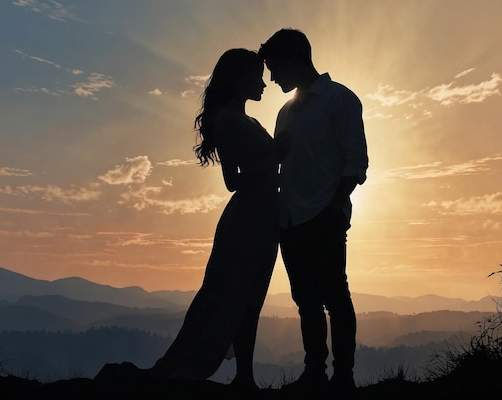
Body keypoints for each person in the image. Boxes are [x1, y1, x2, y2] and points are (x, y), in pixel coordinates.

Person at [149, 48, 287, 391]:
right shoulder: (228, 119)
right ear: (239, 79)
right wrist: (274, 161)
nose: (263, 83)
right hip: (247, 220)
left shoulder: (250, 120)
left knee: (252, 297)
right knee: (232, 294)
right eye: (257, 76)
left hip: (265, 217)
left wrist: (275, 166)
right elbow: (231, 181)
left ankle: (245, 377)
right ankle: (209, 367)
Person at [258, 29, 368, 392]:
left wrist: (334, 206)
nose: (272, 78)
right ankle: (315, 373)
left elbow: (356, 161)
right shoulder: (285, 113)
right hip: (289, 218)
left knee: (335, 296)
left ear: (294, 60)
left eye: (275, 69)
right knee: (305, 300)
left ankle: (344, 377)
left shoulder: (341, 100)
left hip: (323, 215)